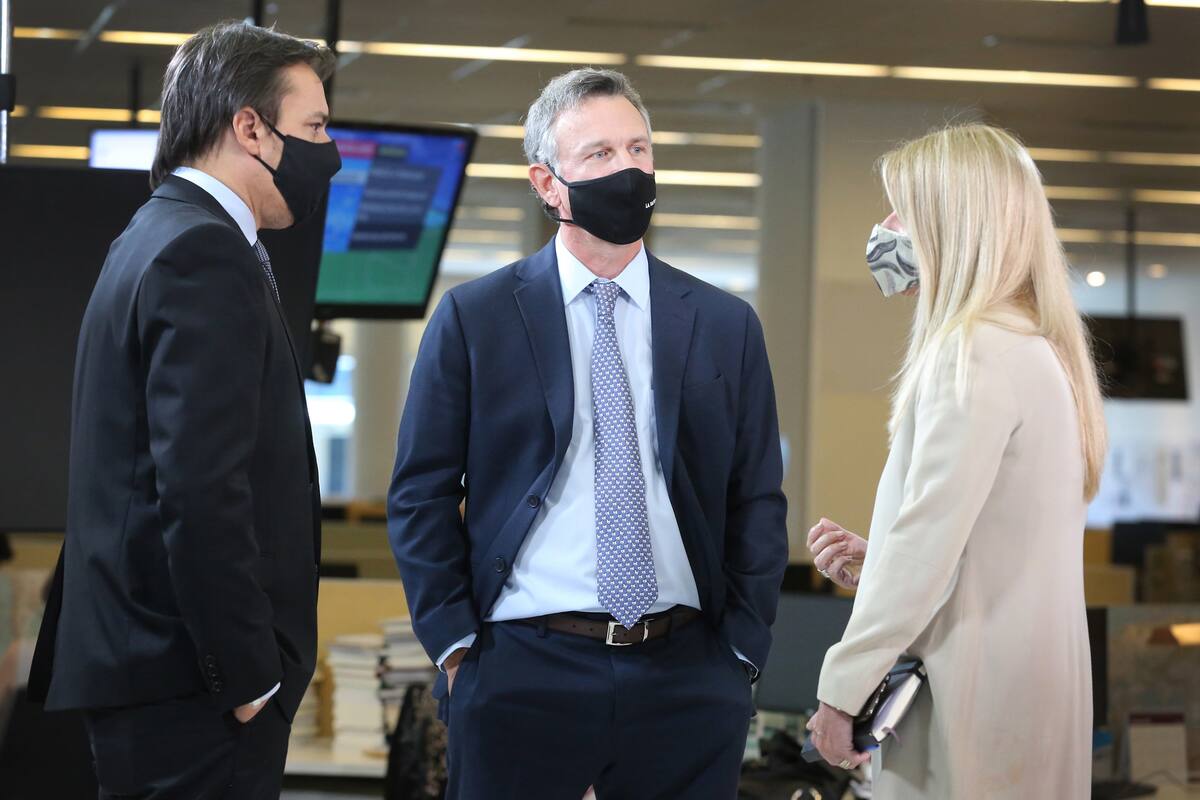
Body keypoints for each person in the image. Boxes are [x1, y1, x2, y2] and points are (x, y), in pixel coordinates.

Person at [388, 68, 789, 800]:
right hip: (521, 669)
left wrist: (741, 651)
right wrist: (455, 647)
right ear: (546, 183)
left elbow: (756, 496)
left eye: (639, 149)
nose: (628, 169)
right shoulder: (475, 319)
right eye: (600, 155)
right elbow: (421, 493)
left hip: (687, 674)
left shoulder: (724, 325)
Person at [28, 21, 340, 799]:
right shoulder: (204, 254)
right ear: (249, 127)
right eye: (316, 127)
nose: (328, 152)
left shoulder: (151, 234)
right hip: (191, 687)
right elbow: (201, 489)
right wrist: (247, 679)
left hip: (152, 673)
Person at [804, 124, 1106, 799]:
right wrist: (877, 554)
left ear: (952, 224)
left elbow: (926, 548)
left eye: (902, 212)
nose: (884, 230)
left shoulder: (972, 352)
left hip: (970, 699)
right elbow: (982, 540)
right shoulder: (1032, 348)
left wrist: (841, 689)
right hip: (1026, 692)